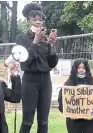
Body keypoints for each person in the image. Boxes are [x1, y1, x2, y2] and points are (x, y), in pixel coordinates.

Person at [15, 3, 58, 133]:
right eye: (35, 19)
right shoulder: (21, 38)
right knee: (28, 120)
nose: (38, 22)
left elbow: (52, 63)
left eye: (40, 20)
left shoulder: (45, 39)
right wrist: (35, 41)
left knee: (44, 121)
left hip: (45, 80)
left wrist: (52, 45)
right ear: (28, 20)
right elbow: (25, 61)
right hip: (30, 80)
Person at [58, 58, 93, 133]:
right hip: (73, 122)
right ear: (75, 69)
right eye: (79, 68)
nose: (81, 70)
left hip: (91, 121)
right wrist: (68, 113)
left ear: (87, 69)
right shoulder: (69, 83)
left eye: (83, 68)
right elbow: (61, 100)